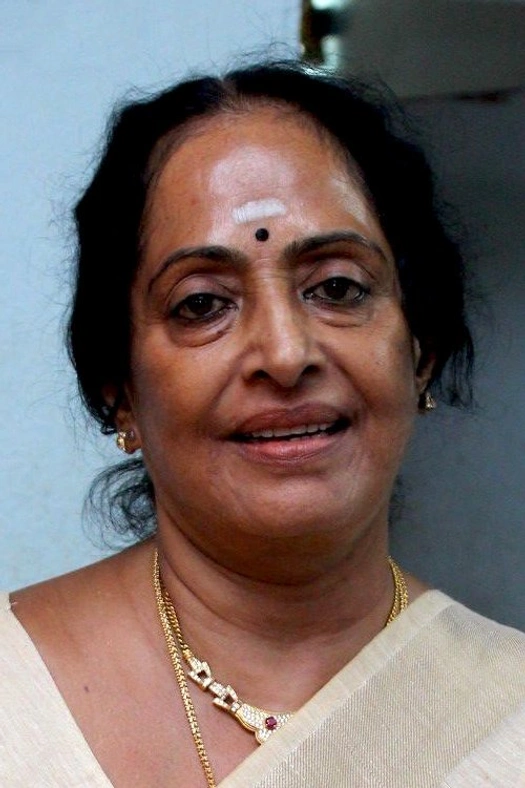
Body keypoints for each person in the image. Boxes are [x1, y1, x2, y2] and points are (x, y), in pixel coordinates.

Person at [1, 61, 524, 788]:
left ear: (421, 353)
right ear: (118, 389)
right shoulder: (13, 700)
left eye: (336, 287)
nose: (284, 353)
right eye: (202, 304)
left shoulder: (510, 719)